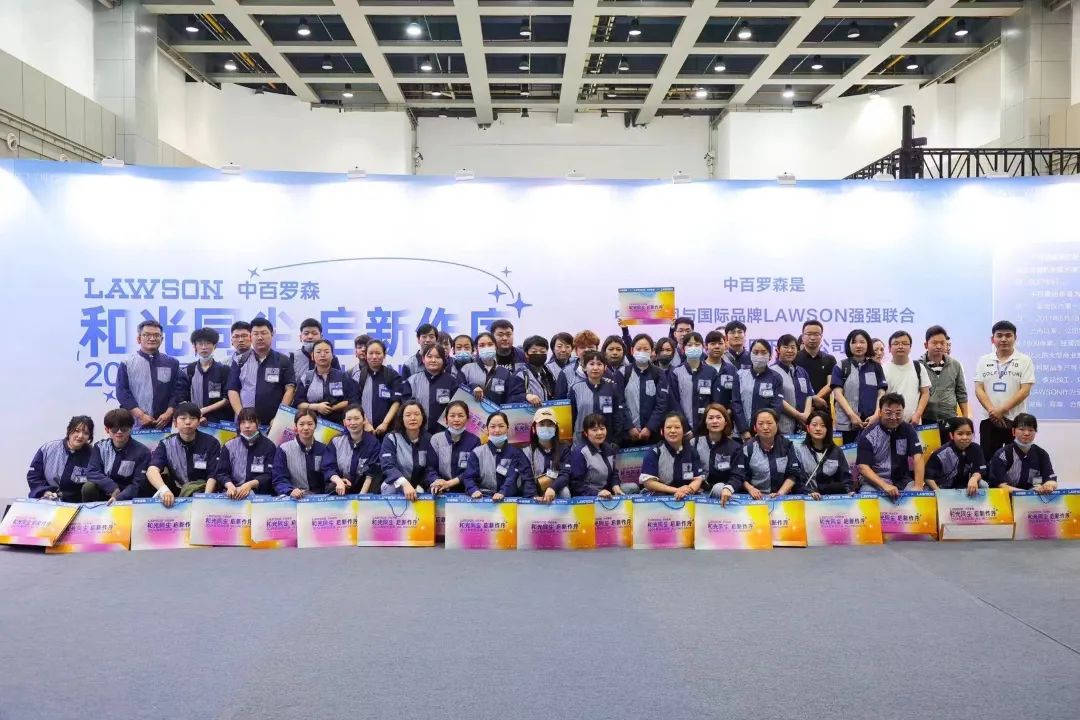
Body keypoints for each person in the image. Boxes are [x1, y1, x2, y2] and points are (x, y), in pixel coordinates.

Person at [974, 320, 1036, 459]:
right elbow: (979, 389)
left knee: (1015, 459)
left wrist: (1001, 410)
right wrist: (993, 411)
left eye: (1008, 335)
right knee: (988, 459)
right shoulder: (984, 360)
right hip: (989, 419)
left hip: (1016, 420)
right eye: (999, 335)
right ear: (992, 339)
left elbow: (1025, 390)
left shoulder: (1024, 360)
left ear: (1015, 338)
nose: (1003, 339)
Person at [145, 402, 221, 506]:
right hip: (177, 494)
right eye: (183, 418)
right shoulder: (166, 444)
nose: (188, 422)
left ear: (199, 422)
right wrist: (164, 491)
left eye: (193, 418)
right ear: (175, 422)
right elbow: (152, 470)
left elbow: (213, 474)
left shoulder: (212, 443)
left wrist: (205, 498)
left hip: (205, 491)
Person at [226, 317, 296, 426]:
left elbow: (290, 390)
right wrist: (242, 416)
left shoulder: (283, 360)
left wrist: (279, 417)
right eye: (255, 334)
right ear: (250, 336)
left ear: (272, 334)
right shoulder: (240, 360)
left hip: (274, 423)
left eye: (264, 333)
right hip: (246, 424)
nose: (259, 337)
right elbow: (232, 390)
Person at [855, 393, 926, 498]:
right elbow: (862, 467)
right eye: (888, 413)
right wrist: (885, 485)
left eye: (898, 413)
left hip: (902, 480)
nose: (893, 417)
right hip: (874, 482)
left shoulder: (908, 429)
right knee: (867, 498)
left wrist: (918, 486)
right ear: (880, 413)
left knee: (919, 497)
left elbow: (918, 456)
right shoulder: (868, 434)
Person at [116, 319, 180, 429]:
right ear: (139, 339)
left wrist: (168, 413)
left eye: (156, 335)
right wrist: (141, 415)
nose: (152, 338)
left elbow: (177, 391)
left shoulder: (172, 363)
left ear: (162, 339)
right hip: (135, 424)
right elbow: (122, 392)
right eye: (147, 335)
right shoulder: (127, 363)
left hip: (164, 423)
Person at [831, 329, 888, 444]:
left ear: (868, 345)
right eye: (854, 342)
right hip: (846, 424)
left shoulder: (876, 367)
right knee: (848, 453)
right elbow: (837, 394)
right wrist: (852, 415)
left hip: (871, 422)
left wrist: (876, 415)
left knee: (871, 453)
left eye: (862, 342)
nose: (858, 345)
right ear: (849, 345)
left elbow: (881, 394)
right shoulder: (841, 366)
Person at [731, 409, 803, 498]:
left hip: (781, 496)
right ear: (755, 428)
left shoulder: (786, 445)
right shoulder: (747, 447)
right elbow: (739, 475)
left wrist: (780, 494)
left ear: (777, 425)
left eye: (769, 423)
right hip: (753, 497)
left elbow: (793, 474)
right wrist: (751, 489)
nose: (765, 427)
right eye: (760, 424)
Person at [462, 411, 534, 499]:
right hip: (482, 499)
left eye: (501, 426)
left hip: (508, 500)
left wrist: (503, 492)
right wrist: (473, 490)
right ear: (487, 429)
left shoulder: (516, 453)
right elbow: (469, 477)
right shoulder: (477, 452)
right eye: (493, 426)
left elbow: (524, 478)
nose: (497, 430)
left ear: (507, 428)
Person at [83, 408, 150, 502]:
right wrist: (112, 487)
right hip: (107, 491)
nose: (119, 432)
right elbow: (92, 472)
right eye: (114, 428)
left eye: (124, 428)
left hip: (129, 496)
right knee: (88, 487)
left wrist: (119, 497)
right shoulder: (100, 447)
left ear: (131, 429)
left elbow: (138, 483)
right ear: (107, 430)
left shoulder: (143, 452)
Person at [210, 407, 277, 498]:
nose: (247, 426)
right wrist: (229, 485)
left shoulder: (269, 446)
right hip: (233, 492)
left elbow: (270, 475)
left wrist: (250, 485)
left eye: (251, 422)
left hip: (259, 494)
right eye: (243, 422)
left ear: (258, 424)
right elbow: (221, 473)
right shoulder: (229, 446)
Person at [379, 399, 438, 498]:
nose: (413, 418)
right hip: (397, 484)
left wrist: (434, 482)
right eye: (408, 415)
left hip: (421, 486)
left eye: (417, 414)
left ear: (423, 417)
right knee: (389, 487)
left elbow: (430, 468)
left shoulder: (430, 439)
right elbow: (388, 466)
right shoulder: (391, 438)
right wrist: (404, 483)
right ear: (401, 418)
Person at [26, 415, 94, 502]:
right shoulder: (48, 449)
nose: (80, 436)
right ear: (69, 430)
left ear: (89, 437)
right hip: (46, 499)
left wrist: (61, 495)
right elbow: (33, 476)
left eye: (86, 433)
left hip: (75, 503)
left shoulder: (93, 455)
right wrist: (45, 491)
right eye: (77, 431)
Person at [565, 350, 626, 443]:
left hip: (606, 441)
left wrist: (615, 440)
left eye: (599, 364)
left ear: (605, 367)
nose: (595, 368)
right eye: (591, 364)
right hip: (581, 440)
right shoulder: (576, 388)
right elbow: (571, 416)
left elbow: (618, 415)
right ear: (584, 367)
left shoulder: (612, 388)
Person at [922, 325, 969, 445]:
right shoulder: (918, 365)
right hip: (926, 419)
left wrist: (965, 419)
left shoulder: (955, 365)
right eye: (934, 343)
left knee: (949, 451)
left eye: (942, 343)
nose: (939, 346)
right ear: (926, 345)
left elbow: (961, 393)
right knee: (929, 452)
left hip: (950, 418)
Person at [640, 412, 705, 498]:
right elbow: (649, 482)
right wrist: (676, 490)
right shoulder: (654, 452)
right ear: (662, 431)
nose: (673, 431)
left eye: (677, 427)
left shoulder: (692, 451)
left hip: (686, 495)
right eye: (668, 427)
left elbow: (698, 478)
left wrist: (688, 490)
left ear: (684, 431)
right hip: (659, 496)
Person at [988, 413, 1057, 494]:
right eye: (1022, 429)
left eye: (1031, 430)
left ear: (1035, 432)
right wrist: (1026, 494)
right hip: (1006, 497)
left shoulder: (1041, 454)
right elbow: (1001, 486)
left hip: (1033, 498)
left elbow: (1051, 479)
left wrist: (1049, 486)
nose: (1026, 433)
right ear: (1013, 431)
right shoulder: (1003, 454)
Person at [621, 333, 670, 446]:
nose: (642, 352)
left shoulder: (659, 373)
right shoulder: (623, 373)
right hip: (627, 435)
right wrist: (629, 427)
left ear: (652, 351)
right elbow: (619, 402)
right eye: (638, 349)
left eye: (646, 349)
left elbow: (661, 404)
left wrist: (649, 427)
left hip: (652, 435)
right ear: (632, 350)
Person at [176, 327, 232, 423]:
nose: (204, 347)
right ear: (194, 346)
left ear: (214, 346)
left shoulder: (224, 370)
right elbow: (182, 397)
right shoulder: (188, 370)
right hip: (193, 421)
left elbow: (227, 399)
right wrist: (195, 414)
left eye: (208, 343)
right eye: (200, 344)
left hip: (218, 423)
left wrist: (203, 411)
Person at [294, 339, 358, 424]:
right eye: (318, 352)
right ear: (312, 356)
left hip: (338, 424)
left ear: (332, 356)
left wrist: (333, 408)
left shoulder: (342, 376)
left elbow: (352, 400)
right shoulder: (306, 377)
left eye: (327, 352)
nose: (322, 355)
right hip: (312, 424)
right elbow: (298, 403)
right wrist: (316, 407)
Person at [731, 339, 785, 440]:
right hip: (741, 433)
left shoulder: (776, 377)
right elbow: (736, 404)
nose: (759, 356)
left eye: (763, 352)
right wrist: (743, 430)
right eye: (755, 352)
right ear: (750, 355)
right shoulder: (740, 375)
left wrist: (762, 428)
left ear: (770, 356)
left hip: (766, 432)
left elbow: (777, 406)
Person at [323, 404, 382, 495]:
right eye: (349, 419)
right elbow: (328, 467)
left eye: (357, 418)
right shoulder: (336, 441)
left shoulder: (373, 443)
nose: (353, 423)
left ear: (364, 420)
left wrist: (361, 497)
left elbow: (371, 473)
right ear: (344, 422)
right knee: (331, 487)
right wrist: (339, 481)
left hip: (365, 488)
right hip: (342, 485)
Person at [794, 411, 852, 499]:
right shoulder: (799, 451)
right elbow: (797, 482)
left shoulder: (836, 451)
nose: (818, 428)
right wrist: (809, 493)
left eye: (823, 425)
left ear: (828, 429)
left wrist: (848, 491)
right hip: (808, 499)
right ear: (808, 428)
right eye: (814, 425)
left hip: (832, 499)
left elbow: (846, 478)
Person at [667, 332, 719, 430]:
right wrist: (684, 426)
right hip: (682, 428)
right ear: (683, 349)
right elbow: (674, 402)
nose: (693, 348)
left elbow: (714, 402)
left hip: (705, 427)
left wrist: (701, 427)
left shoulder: (711, 372)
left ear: (703, 347)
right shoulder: (675, 372)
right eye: (689, 345)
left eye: (697, 344)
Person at [271, 409, 328, 497]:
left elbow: (329, 474)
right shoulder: (284, 449)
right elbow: (279, 479)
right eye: (301, 424)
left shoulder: (323, 449)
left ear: (315, 426)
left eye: (310, 424)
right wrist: (290, 490)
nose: (306, 428)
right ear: (295, 426)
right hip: (294, 498)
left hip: (319, 498)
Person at [403, 344, 460, 433]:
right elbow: (406, 408)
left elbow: (457, 407)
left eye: (438, 357)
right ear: (423, 359)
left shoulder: (451, 381)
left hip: (444, 433)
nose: (433, 360)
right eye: (429, 357)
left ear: (443, 360)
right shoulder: (412, 381)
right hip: (418, 433)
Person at [430, 400, 481, 495]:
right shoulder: (436, 439)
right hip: (440, 489)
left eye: (461, 416)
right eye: (452, 416)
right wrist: (436, 481)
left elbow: (473, 470)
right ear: (446, 419)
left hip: (466, 491)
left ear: (467, 419)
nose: (456, 419)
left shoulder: (475, 441)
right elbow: (430, 467)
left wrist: (450, 483)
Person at [925, 417, 987, 495]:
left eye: (968, 434)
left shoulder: (976, 449)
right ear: (951, 435)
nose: (965, 437)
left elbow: (980, 470)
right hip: (943, 489)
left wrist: (974, 478)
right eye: (960, 434)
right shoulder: (941, 453)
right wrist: (939, 493)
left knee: (983, 485)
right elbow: (928, 477)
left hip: (966, 489)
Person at [354, 339, 403, 438]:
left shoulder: (392, 375)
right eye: (371, 353)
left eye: (378, 353)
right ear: (366, 355)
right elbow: (355, 402)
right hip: (364, 429)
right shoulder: (358, 376)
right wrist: (365, 423)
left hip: (388, 429)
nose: (374, 357)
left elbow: (396, 401)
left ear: (384, 355)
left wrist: (385, 423)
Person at [566, 412, 622, 498]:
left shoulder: (610, 449)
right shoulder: (580, 452)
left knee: (632, 487)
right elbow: (576, 486)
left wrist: (616, 487)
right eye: (594, 430)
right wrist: (597, 493)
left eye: (602, 429)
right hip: (588, 496)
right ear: (586, 433)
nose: (599, 433)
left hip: (608, 493)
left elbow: (614, 474)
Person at [461, 331, 526, 405]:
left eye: (490, 344)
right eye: (482, 345)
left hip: (496, 411)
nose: (486, 348)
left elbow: (509, 398)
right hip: (471, 411)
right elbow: (459, 392)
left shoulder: (505, 372)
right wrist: (473, 386)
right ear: (476, 349)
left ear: (496, 346)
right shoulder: (467, 369)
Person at [692, 403, 739, 503]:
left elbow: (737, 475)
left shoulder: (735, 447)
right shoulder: (694, 443)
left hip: (723, 492)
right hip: (696, 491)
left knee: (719, 487)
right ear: (705, 422)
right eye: (711, 418)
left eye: (718, 417)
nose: (714, 421)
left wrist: (728, 488)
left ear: (725, 422)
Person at [883, 331, 930, 424]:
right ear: (889, 348)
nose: (900, 346)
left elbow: (925, 393)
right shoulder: (882, 369)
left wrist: (918, 414)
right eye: (896, 343)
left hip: (913, 422)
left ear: (910, 348)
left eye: (905, 343)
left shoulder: (918, 367)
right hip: (889, 422)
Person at [772, 334, 815, 436]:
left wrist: (806, 415)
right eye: (785, 347)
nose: (790, 350)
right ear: (778, 349)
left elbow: (809, 395)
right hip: (783, 425)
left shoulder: (802, 371)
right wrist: (799, 416)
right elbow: (777, 398)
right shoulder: (772, 372)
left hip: (803, 426)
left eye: (793, 347)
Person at [530, 407, 572, 502]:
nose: (546, 427)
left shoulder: (564, 449)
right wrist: (533, 496)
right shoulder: (528, 450)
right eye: (542, 424)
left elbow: (565, 474)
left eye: (550, 425)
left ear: (555, 428)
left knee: (565, 491)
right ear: (534, 428)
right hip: (535, 491)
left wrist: (552, 488)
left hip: (556, 489)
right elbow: (527, 478)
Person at [794, 320, 837, 405]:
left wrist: (814, 401)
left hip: (822, 406)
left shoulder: (829, 359)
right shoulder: (794, 358)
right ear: (802, 336)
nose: (812, 338)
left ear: (821, 336)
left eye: (816, 334)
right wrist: (809, 403)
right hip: (798, 406)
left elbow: (830, 384)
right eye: (809, 334)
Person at [520, 335, 559, 406]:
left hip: (550, 411)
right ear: (526, 354)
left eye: (542, 351)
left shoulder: (550, 372)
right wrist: (526, 396)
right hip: (531, 411)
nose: (538, 354)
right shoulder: (521, 374)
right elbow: (512, 397)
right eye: (534, 351)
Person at [704, 330, 738, 408]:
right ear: (705, 346)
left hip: (727, 413)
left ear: (725, 345)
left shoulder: (731, 369)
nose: (717, 346)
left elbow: (736, 396)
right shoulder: (700, 369)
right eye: (713, 344)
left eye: (720, 343)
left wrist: (729, 411)